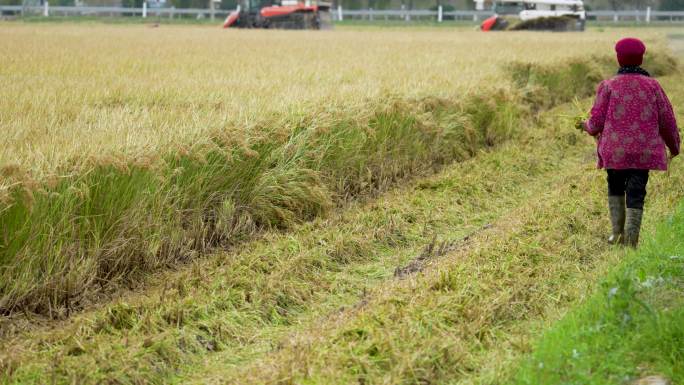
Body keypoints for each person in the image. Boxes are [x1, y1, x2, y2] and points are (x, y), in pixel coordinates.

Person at [583, 37, 680, 248]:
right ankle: (631, 241)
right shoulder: (653, 86)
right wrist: (674, 147)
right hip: (643, 153)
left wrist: (585, 126)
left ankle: (617, 234)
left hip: (615, 151)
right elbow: (667, 120)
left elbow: (596, 122)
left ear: (619, 59)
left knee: (615, 186)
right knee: (637, 192)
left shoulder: (608, 86)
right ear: (641, 59)